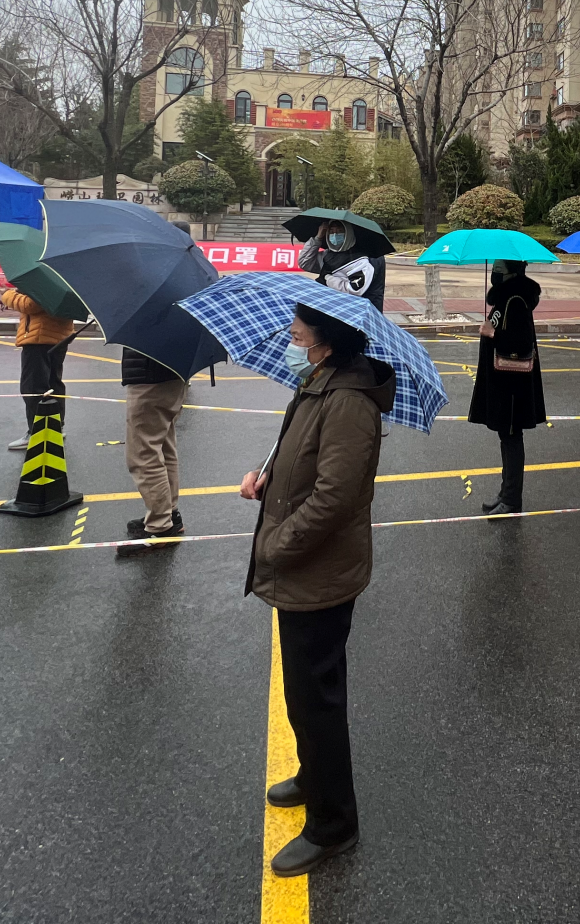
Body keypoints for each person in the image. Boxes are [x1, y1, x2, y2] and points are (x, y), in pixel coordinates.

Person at [239, 303, 392, 876]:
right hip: (305, 563)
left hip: (319, 568)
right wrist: (266, 477)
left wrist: (277, 545)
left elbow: (336, 496)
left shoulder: (349, 401)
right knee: (304, 691)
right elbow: (300, 457)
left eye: (301, 324)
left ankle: (334, 824)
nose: (292, 331)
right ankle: (312, 774)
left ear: (328, 337)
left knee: (317, 696)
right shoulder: (319, 382)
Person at [468, 259, 545, 514]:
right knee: (506, 438)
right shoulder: (506, 298)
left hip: (512, 386)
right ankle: (506, 493)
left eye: (498, 271)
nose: (494, 275)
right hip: (504, 384)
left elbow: (521, 343)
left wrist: (493, 334)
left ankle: (512, 499)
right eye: (493, 271)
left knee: (512, 439)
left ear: (512, 274)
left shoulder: (516, 300)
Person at [1, 284, 83, 451]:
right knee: (54, 384)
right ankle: (55, 428)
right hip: (58, 336)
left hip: (39, 336)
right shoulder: (63, 277)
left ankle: (36, 432)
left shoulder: (46, 278)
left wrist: (7, 295)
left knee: (33, 387)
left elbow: (31, 305)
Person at [122, 345, 190, 544]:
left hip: (150, 374)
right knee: (162, 446)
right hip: (170, 372)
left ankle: (160, 526)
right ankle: (168, 514)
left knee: (143, 453)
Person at [312, 221, 386, 312]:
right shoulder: (332, 254)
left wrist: (328, 279)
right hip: (353, 308)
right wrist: (317, 238)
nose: (335, 235)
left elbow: (354, 289)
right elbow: (305, 262)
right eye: (332, 231)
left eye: (340, 231)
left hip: (362, 310)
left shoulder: (365, 258)